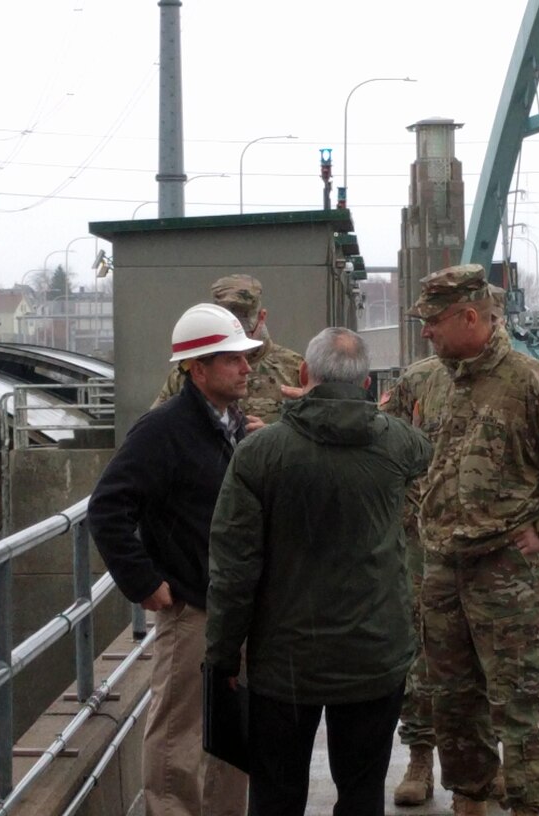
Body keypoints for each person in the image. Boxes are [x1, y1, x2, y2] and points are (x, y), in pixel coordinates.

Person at [408, 264, 539, 816]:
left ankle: (526, 806)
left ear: (469, 317)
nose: (426, 332)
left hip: (507, 575)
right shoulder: (437, 381)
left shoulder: (530, 383)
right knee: (451, 700)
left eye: (433, 321)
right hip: (444, 570)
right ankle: (471, 797)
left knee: (517, 704)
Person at [205, 327, 432, 816]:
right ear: (367, 381)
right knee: (362, 792)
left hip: (285, 663)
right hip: (375, 656)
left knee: (277, 794)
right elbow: (423, 451)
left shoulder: (259, 454)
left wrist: (222, 656)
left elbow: (233, 570)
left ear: (304, 374)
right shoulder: (397, 444)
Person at [87, 303, 261, 816]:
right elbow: (108, 507)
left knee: (232, 733)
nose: (248, 368)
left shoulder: (232, 426)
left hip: (233, 608)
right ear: (198, 369)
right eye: (233, 360)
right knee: (176, 737)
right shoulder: (164, 429)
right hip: (191, 609)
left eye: (246, 358)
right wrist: (145, 583)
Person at [382, 284, 508, 808]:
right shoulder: (418, 380)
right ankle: (419, 757)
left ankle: (487, 760)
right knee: (424, 656)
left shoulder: (517, 381)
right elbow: (383, 445)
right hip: (422, 544)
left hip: (492, 548)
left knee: (491, 658)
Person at [152, 273, 304, 423]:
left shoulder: (295, 368)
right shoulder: (192, 370)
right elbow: (157, 428)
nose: (238, 341)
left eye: (244, 331)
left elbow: (318, 437)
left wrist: (268, 438)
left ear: (262, 317)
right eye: (228, 333)